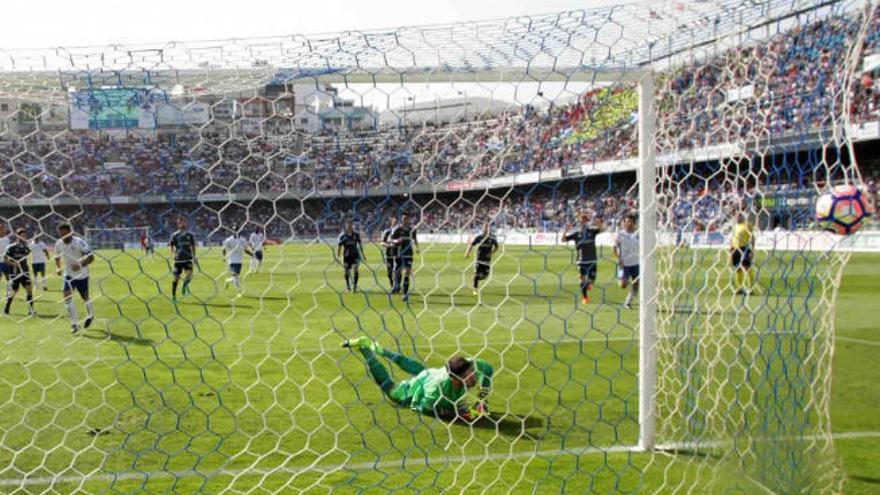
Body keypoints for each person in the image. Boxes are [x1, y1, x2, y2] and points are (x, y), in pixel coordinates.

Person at [342, 337, 494, 420]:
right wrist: (457, 413)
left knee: (421, 370)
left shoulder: (470, 364)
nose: (474, 376)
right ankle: (365, 348)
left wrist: (482, 400)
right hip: (413, 391)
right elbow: (424, 409)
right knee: (388, 386)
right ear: (455, 378)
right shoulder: (436, 389)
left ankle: (383, 351)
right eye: (469, 376)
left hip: (431, 374)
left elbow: (488, 369)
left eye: (472, 372)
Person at [55, 223, 95, 333]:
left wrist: (80, 265)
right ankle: (74, 324)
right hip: (68, 275)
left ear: (70, 232)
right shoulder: (58, 243)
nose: (62, 236)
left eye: (64, 234)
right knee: (66, 296)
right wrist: (58, 268)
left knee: (85, 297)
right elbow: (57, 258)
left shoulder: (80, 242)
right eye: (60, 234)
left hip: (82, 275)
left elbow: (91, 257)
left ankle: (91, 315)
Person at [561, 211, 605, 304]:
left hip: (592, 259)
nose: (583, 222)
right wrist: (566, 230)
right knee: (583, 279)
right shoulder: (576, 233)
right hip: (581, 261)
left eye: (585, 220)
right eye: (582, 220)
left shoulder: (592, 231)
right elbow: (563, 240)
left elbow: (602, 229)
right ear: (579, 222)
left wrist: (594, 219)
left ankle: (589, 284)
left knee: (592, 280)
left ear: (587, 221)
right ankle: (585, 298)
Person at [4, 228, 35, 316]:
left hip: (25, 272)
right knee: (14, 291)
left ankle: (31, 310)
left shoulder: (26, 248)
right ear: (18, 236)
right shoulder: (11, 247)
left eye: (25, 235)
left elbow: (27, 256)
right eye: (22, 235)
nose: (24, 237)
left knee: (29, 290)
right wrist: (13, 263)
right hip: (15, 273)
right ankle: (7, 308)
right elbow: (5, 260)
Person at [464, 222, 499, 296]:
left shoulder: (492, 238)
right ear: (482, 229)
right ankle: (475, 289)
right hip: (478, 259)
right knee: (476, 275)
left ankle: (475, 283)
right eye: (485, 227)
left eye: (487, 227)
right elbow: (472, 244)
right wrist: (467, 253)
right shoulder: (479, 237)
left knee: (485, 275)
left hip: (487, 260)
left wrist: (492, 253)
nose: (486, 229)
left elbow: (497, 247)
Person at [391, 212, 419, 302]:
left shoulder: (412, 230)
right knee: (398, 272)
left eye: (406, 218)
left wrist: (417, 248)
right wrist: (397, 241)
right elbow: (391, 240)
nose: (404, 220)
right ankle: (397, 285)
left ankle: (405, 294)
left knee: (407, 273)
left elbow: (415, 239)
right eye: (403, 219)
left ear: (408, 219)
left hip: (408, 254)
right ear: (401, 219)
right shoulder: (397, 229)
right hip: (399, 253)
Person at [613, 213, 640, 309]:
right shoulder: (620, 234)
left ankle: (628, 302)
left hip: (636, 263)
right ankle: (623, 278)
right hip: (624, 264)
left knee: (637, 284)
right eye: (626, 221)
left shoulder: (638, 234)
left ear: (634, 222)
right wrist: (619, 259)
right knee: (622, 285)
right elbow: (614, 248)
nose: (627, 223)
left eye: (630, 221)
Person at [169, 216, 197, 304]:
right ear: (178, 224)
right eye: (180, 222)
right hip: (178, 260)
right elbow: (171, 245)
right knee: (176, 278)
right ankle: (173, 296)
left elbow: (193, 246)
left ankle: (184, 285)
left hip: (188, 258)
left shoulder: (190, 235)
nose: (182, 223)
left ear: (186, 223)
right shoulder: (175, 235)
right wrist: (173, 253)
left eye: (184, 222)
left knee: (190, 275)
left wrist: (194, 257)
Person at [730, 212, 756, 296]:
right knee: (738, 269)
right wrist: (730, 247)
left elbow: (752, 237)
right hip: (735, 249)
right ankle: (740, 288)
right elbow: (733, 237)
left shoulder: (747, 225)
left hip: (744, 249)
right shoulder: (735, 226)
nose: (737, 218)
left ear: (742, 217)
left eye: (739, 216)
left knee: (747, 268)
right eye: (736, 216)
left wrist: (752, 250)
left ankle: (750, 289)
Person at [337, 220, 365, 293]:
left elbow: (360, 244)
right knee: (346, 271)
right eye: (349, 225)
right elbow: (339, 246)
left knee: (356, 269)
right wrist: (338, 257)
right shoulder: (342, 235)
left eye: (351, 225)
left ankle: (355, 287)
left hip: (355, 255)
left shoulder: (356, 234)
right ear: (346, 226)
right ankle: (348, 286)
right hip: (347, 256)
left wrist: (363, 254)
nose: (350, 226)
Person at [223, 229, 251, 294]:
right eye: (234, 230)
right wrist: (224, 257)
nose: (235, 231)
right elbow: (224, 248)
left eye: (237, 230)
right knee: (235, 276)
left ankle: (228, 280)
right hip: (231, 260)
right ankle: (239, 291)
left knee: (236, 276)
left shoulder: (242, 240)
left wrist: (252, 254)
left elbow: (245, 249)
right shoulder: (229, 240)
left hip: (239, 260)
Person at [380, 217, 398, 290]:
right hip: (388, 254)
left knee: (397, 270)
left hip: (397, 254)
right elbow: (381, 243)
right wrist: (389, 245)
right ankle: (391, 282)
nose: (396, 224)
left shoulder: (399, 232)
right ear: (391, 223)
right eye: (394, 222)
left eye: (396, 222)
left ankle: (397, 285)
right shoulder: (387, 232)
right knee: (389, 271)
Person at [0, 223, 11, 298]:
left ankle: (8, 292)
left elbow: (8, 250)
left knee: (8, 277)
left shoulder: (7, 239)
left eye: (2, 228)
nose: (1, 230)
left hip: (5, 261)